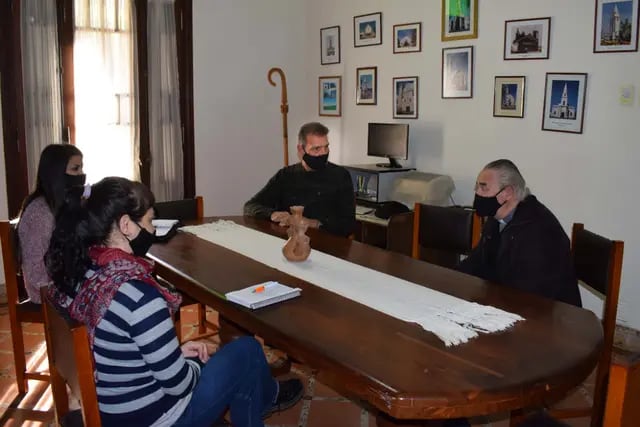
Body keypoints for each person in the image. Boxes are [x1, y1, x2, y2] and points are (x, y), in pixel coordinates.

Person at [45, 177, 304, 427]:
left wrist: (177, 355)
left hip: (115, 408)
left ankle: (263, 397)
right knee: (247, 350)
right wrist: (191, 364)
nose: (152, 229)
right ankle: (263, 399)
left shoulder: (90, 272)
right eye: (149, 221)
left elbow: (123, 347)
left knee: (232, 362)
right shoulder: (140, 296)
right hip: (156, 418)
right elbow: (179, 384)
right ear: (125, 226)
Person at [459, 159, 582, 307]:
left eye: (484, 188)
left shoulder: (539, 230)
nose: (477, 193)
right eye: (477, 187)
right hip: (512, 302)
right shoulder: (497, 219)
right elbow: (477, 262)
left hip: (551, 317)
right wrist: (447, 279)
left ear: (507, 193)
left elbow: (530, 293)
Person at [244, 122, 355, 237]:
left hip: (327, 243)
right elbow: (250, 206)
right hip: (290, 241)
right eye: (316, 149)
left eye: (326, 147)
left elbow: (348, 225)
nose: (323, 153)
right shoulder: (285, 175)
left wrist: (312, 223)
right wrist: (272, 214)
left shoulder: (340, 176)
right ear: (301, 150)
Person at [17, 143, 85, 303]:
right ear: (57, 173)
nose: (82, 174)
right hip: (45, 290)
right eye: (75, 169)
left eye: (82, 168)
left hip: (65, 283)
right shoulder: (40, 212)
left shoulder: (63, 204)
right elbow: (36, 271)